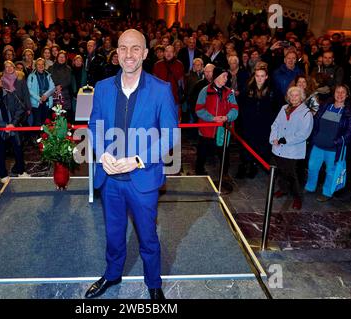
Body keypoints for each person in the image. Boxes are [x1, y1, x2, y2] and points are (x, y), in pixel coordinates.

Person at [87, 29, 178, 300]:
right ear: (116, 53)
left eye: (135, 48)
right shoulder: (102, 88)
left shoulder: (161, 90)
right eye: (123, 48)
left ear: (146, 54)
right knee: (114, 234)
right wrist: (102, 153)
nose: (129, 54)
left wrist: (137, 160)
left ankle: (153, 283)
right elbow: (94, 125)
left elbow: (170, 134)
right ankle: (112, 274)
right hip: (110, 178)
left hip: (143, 178)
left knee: (148, 237)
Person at [305, 84, 351, 202]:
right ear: (334, 93)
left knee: (331, 172)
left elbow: (350, 131)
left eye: (343, 92)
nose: (340, 94)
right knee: (312, 167)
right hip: (318, 145)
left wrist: (338, 141)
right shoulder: (325, 106)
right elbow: (316, 122)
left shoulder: (348, 112)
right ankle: (310, 187)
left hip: (334, 149)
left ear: (347, 95)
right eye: (337, 91)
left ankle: (327, 192)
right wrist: (314, 137)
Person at [270, 86, 313, 210]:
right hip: (278, 147)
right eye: (291, 95)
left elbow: (304, 133)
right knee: (281, 172)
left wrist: (284, 140)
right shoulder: (284, 108)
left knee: (294, 176)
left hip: (293, 150)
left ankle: (297, 198)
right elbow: (276, 124)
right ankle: (283, 190)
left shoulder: (306, 113)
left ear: (302, 97)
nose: (293, 98)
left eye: (296, 95)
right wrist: (274, 138)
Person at [195, 66, 238, 176]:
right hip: (206, 130)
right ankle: (199, 172)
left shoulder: (229, 92)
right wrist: (212, 118)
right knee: (202, 153)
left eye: (227, 76)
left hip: (222, 130)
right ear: (216, 77)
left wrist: (227, 117)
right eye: (224, 76)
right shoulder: (205, 91)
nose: (226, 79)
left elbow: (235, 109)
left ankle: (224, 175)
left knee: (224, 154)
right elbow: (199, 109)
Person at [236, 62, 273, 179]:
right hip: (248, 123)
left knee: (261, 146)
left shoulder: (272, 90)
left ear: (266, 77)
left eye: (262, 76)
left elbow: (275, 108)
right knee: (247, 146)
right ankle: (247, 165)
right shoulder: (247, 88)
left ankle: (257, 165)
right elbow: (241, 104)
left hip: (264, 125)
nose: (260, 79)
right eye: (257, 76)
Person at [27, 58, 55, 126]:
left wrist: (45, 95)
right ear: (35, 66)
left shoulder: (48, 75)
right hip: (36, 102)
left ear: (44, 65)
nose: (40, 66)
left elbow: (53, 88)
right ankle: (37, 136)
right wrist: (39, 98)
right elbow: (29, 89)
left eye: (42, 64)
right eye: (38, 64)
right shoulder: (31, 76)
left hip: (47, 101)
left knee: (46, 122)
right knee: (37, 122)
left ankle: (45, 136)